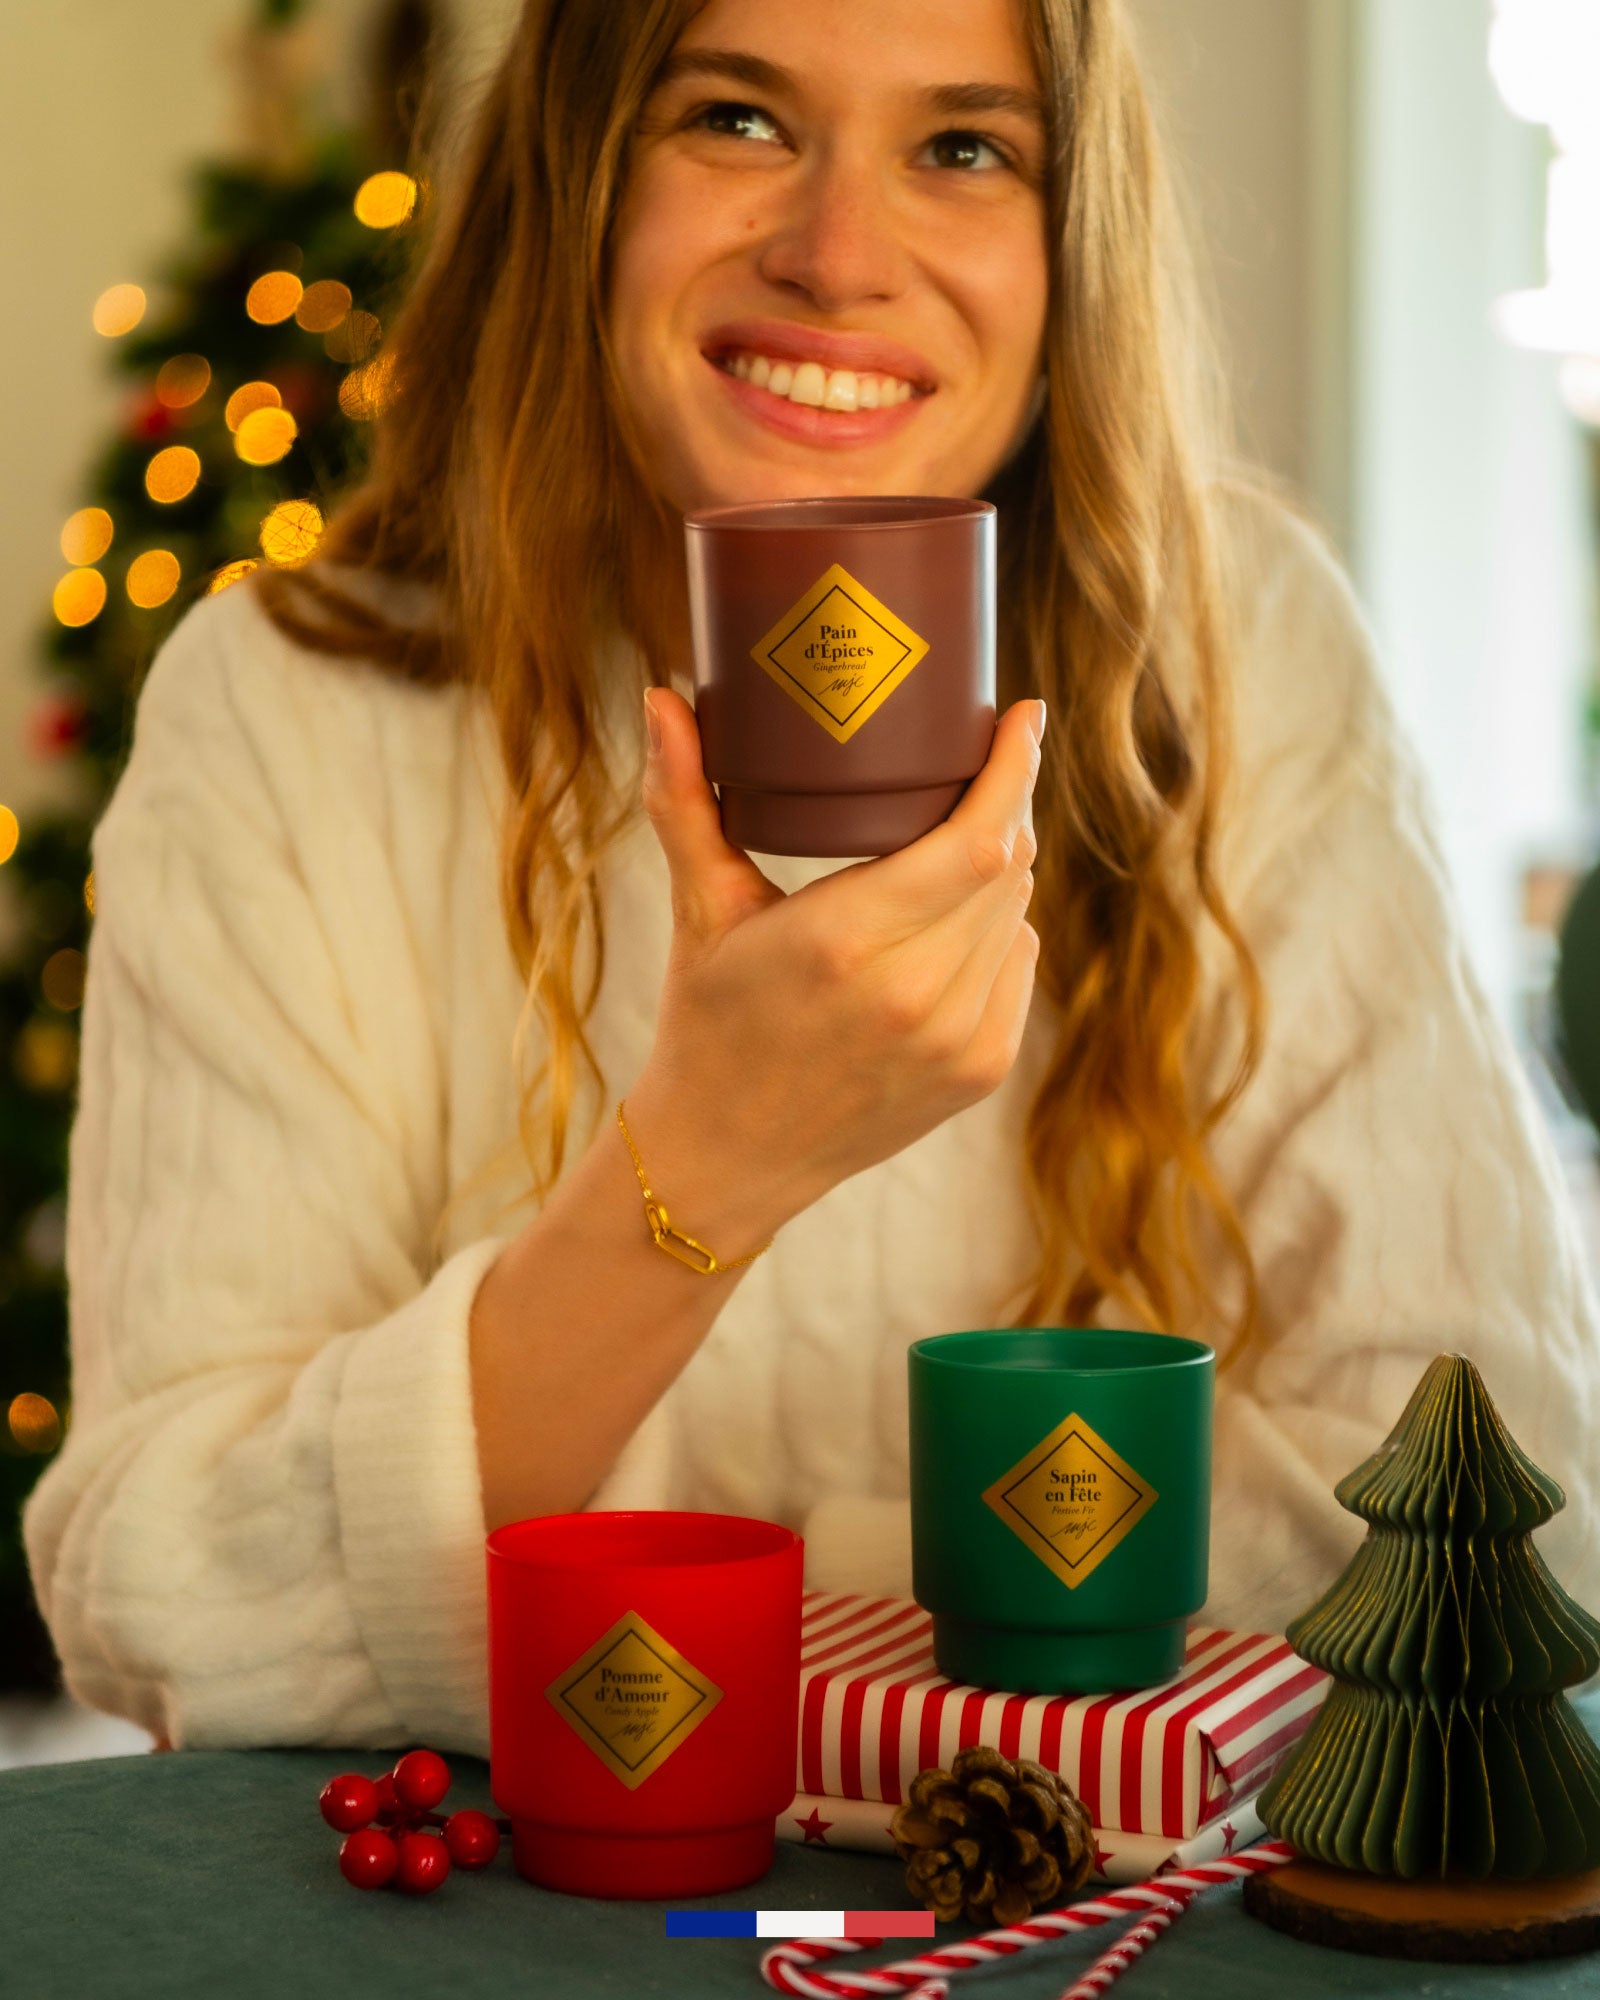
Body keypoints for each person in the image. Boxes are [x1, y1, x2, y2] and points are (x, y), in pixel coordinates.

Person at [23, 0, 1600, 1759]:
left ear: (1070, 238)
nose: (841, 256)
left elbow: (1501, 1506)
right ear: (579, 182)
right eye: (738, 120)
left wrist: (773, 1587)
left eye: (964, 147)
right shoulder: (290, 707)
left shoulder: (1244, 659)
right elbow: (159, 1590)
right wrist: (708, 1162)